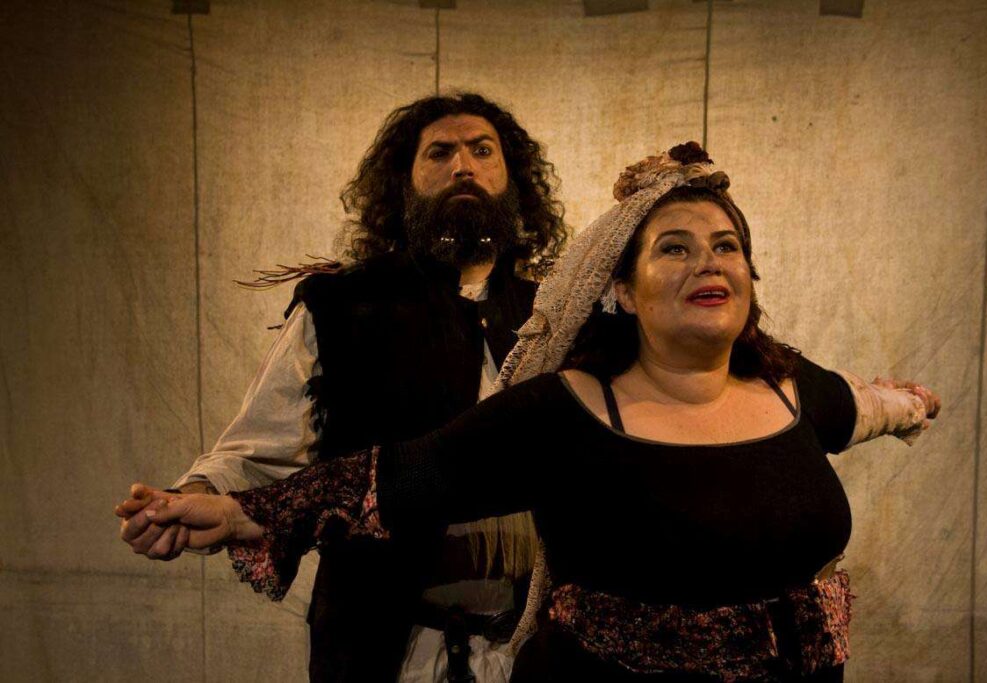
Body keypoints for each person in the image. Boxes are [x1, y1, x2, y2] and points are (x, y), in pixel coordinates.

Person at [119, 142, 940, 681]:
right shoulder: (566, 409)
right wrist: (237, 510)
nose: (708, 262)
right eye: (674, 247)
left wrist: (908, 404)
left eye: (727, 246)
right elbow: (396, 479)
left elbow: (862, 407)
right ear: (623, 291)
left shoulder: (793, 388)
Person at [116, 92, 569, 683]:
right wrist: (193, 495)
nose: (463, 166)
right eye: (440, 152)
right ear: (404, 184)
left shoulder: (557, 315)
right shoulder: (345, 306)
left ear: (513, 178)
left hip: (533, 653)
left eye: (482, 151)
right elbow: (259, 449)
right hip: (388, 649)